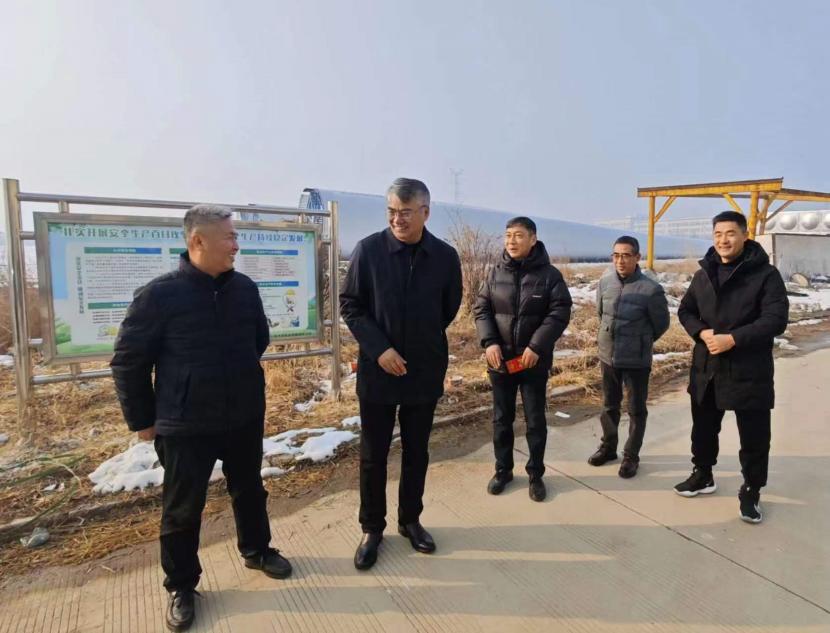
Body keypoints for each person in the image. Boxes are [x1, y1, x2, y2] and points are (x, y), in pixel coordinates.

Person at [111, 205, 291, 632]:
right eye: (228, 236)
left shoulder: (244, 289)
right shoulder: (159, 296)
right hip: (185, 423)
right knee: (182, 508)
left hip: (243, 414)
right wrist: (142, 420)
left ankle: (257, 550)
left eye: (235, 236)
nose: (236, 245)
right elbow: (128, 362)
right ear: (198, 241)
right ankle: (181, 585)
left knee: (250, 489)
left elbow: (259, 339)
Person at [340, 178, 462, 570]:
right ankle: (371, 528)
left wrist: (418, 341)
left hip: (423, 370)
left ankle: (410, 520)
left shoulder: (444, 257)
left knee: (416, 451)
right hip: (378, 371)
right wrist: (381, 349)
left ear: (425, 212)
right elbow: (351, 304)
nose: (397, 220)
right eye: (391, 212)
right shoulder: (369, 251)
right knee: (373, 455)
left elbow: (449, 306)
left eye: (405, 213)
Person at [675, 210, 788, 524]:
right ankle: (703, 474)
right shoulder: (704, 273)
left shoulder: (765, 275)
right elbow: (685, 310)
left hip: (748, 369)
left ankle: (751, 489)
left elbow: (775, 320)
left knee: (753, 436)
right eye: (718, 234)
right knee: (703, 428)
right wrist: (702, 332)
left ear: (744, 235)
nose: (723, 240)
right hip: (707, 368)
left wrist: (734, 339)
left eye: (730, 233)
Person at [474, 217, 572, 501]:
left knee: (534, 420)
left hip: (532, 362)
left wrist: (536, 346)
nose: (511, 241)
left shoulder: (550, 276)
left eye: (518, 235)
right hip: (500, 362)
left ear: (533, 239)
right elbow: (482, 309)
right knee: (501, 419)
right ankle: (503, 470)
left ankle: (535, 474)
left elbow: (559, 312)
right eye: (507, 235)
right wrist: (490, 342)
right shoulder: (495, 273)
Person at [587, 236, 670, 478]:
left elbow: (661, 324)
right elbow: (601, 314)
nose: (620, 261)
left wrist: (639, 341)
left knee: (636, 409)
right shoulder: (605, 283)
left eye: (626, 255)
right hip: (608, 356)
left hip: (636, 359)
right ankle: (608, 447)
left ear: (637, 257)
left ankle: (631, 456)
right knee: (609, 405)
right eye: (616, 255)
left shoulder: (651, 290)